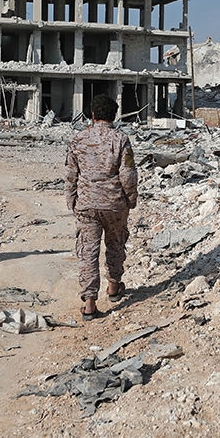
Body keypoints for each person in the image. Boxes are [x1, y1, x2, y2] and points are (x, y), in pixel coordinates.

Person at [64, 94, 138, 320]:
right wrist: (131, 199)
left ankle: (89, 304)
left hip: (86, 204)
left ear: (93, 115)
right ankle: (114, 287)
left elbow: (70, 174)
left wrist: (71, 200)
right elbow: (128, 174)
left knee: (88, 250)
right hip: (115, 204)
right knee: (115, 244)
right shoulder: (121, 140)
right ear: (113, 116)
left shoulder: (77, 140)